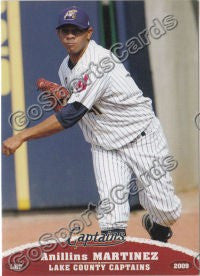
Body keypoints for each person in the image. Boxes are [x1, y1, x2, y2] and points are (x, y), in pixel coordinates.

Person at [2, 6, 181, 242]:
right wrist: (67, 98)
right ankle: (114, 251)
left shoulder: (99, 63)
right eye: (65, 31)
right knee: (111, 218)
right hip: (104, 144)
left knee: (166, 211)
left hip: (141, 136)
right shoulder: (65, 67)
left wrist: (22, 135)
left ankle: (156, 224)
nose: (70, 36)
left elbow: (70, 116)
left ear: (89, 32)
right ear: (58, 34)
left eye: (76, 30)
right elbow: (78, 103)